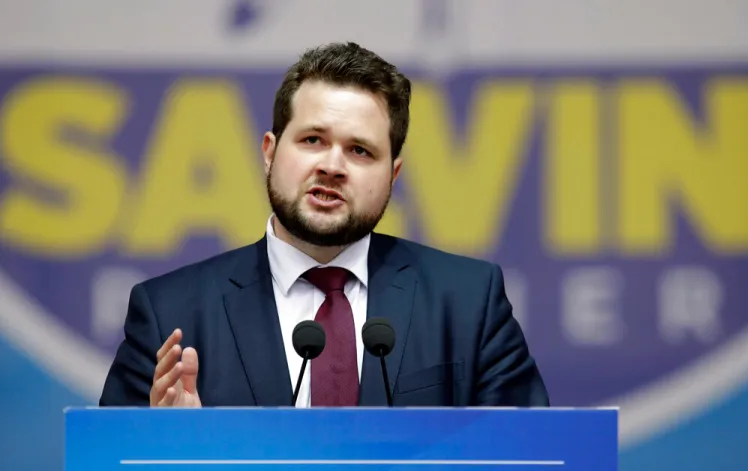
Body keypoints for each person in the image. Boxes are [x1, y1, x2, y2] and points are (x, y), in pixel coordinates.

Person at [99, 42, 549, 408]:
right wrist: (170, 447)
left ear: (392, 174)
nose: (332, 166)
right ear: (270, 152)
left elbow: (534, 458)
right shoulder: (170, 315)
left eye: (360, 151)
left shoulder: (470, 302)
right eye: (313, 140)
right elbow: (112, 459)